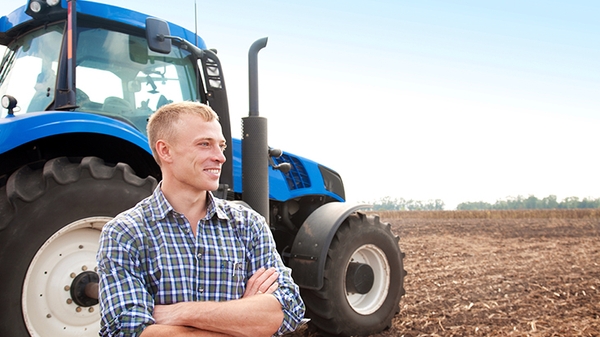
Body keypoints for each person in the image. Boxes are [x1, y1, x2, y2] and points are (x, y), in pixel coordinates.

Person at [97, 101, 305, 337]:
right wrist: (242, 321)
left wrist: (180, 313)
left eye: (221, 146)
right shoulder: (125, 233)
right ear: (165, 151)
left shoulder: (249, 226)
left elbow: (288, 310)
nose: (220, 157)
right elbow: (128, 330)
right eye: (205, 144)